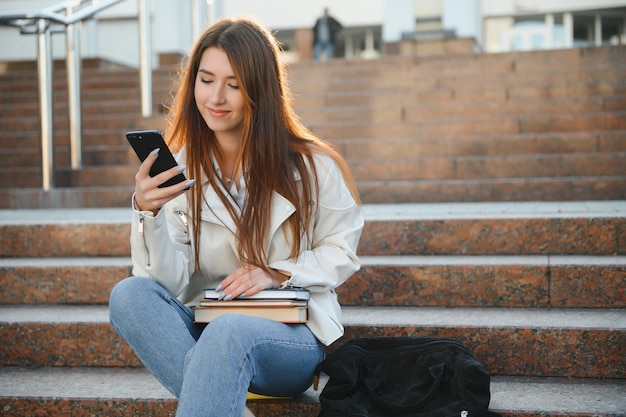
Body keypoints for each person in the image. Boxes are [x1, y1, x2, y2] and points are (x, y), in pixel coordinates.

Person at [108, 17, 364, 417]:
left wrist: (276, 272)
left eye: (234, 84)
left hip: (288, 338)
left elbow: (342, 251)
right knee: (129, 295)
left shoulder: (313, 167)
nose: (216, 97)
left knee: (228, 333)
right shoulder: (183, 170)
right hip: (206, 326)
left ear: (259, 89)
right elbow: (167, 282)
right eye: (206, 80)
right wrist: (148, 213)